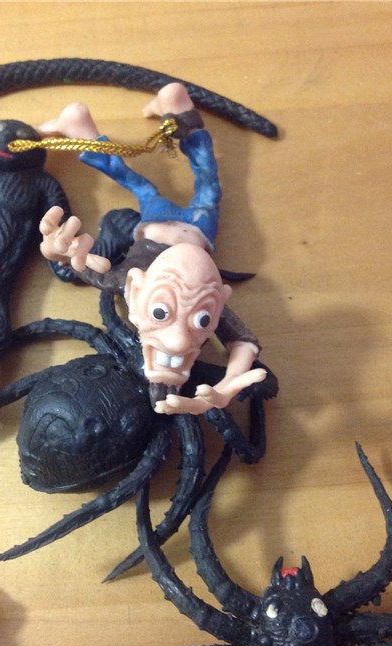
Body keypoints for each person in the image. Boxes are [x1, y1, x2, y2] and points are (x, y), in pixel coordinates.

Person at [38, 83, 265, 416]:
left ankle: (93, 124)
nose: (178, 341)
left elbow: (81, 265)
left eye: (202, 319)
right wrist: (227, 384)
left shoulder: (130, 284)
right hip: (198, 227)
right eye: (161, 313)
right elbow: (243, 342)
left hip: (175, 222)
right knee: (190, 179)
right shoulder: (200, 298)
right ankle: (164, 109)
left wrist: (57, 250)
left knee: (184, 181)